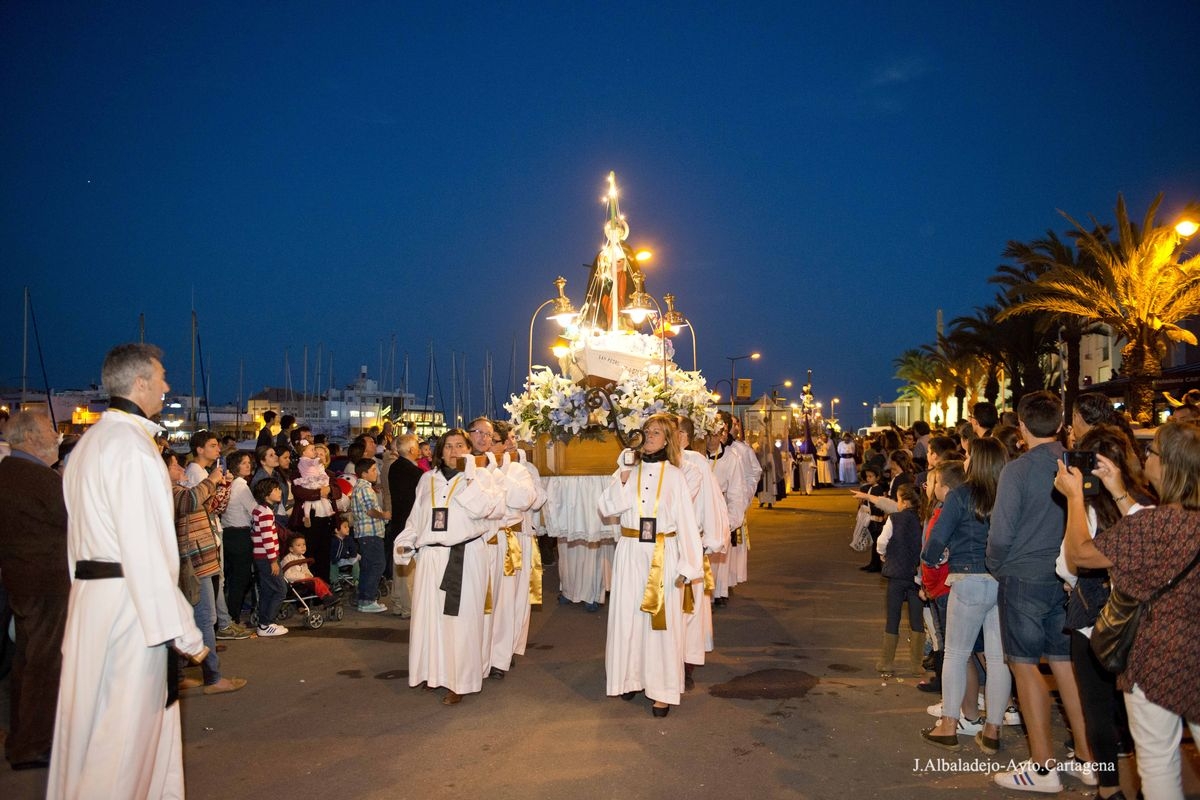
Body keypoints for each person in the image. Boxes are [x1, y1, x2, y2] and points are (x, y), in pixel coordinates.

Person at [48, 343, 207, 799]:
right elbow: (146, 550)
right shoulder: (133, 450)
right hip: (129, 612)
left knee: (92, 728)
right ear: (139, 383)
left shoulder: (88, 445)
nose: (167, 386)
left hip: (93, 603)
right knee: (120, 743)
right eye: (161, 377)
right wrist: (185, 633)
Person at [1058, 420, 1200, 800]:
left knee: (1158, 762)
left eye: (1152, 452)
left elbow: (1078, 555)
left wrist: (1075, 498)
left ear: (1169, 466)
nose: (1146, 458)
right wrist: (1118, 490)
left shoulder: (1155, 525)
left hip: (1157, 657)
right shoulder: (1169, 521)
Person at [986, 391, 1092, 792]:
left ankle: (1042, 766)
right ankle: (1086, 756)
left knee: (1024, 664)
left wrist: (997, 565)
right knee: (1064, 665)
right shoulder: (1074, 462)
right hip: (1066, 576)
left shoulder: (1017, 471)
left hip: (1023, 576)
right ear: (1061, 425)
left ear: (1022, 425)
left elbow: (1000, 533)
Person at [1054, 424, 1148, 800]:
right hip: (1139, 621)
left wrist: (1074, 501)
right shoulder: (1144, 504)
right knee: (1138, 710)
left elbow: (1067, 564)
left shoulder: (1087, 509)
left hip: (1094, 619)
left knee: (1097, 709)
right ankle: (1148, 780)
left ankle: (1109, 788)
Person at [598, 413, 703, 717]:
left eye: (656, 432)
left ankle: (662, 691)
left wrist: (689, 565)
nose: (649, 436)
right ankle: (630, 678)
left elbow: (686, 521)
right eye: (647, 430)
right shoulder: (628, 469)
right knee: (628, 618)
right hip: (630, 552)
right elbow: (606, 507)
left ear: (668, 439)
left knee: (661, 624)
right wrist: (623, 474)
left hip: (663, 554)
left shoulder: (675, 475)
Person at [394, 429, 502, 705]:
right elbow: (416, 517)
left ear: (468, 449)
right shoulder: (427, 479)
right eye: (449, 447)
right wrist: (406, 543)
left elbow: (489, 510)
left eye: (460, 446)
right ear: (440, 452)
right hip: (431, 556)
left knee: (462, 621)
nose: (454, 452)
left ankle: (461, 681)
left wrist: (470, 476)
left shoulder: (482, 477)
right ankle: (434, 674)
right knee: (430, 619)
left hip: (463, 555)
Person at [919, 437, 1010, 754]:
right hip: (1002, 581)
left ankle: (948, 725)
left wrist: (933, 560)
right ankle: (993, 729)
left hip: (968, 580)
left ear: (979, 460)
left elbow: (937, 539)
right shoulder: (1008, 494)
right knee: (998, 659)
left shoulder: (960, 495)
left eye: (969, 455)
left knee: (957, 654)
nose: (965, 460)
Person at [0, 410, 69, 769]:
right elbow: (73, 520)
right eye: (48, 428)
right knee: (43, 663)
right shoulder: (36, 478)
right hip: (46, 583)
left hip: (25, 579)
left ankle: (25, 738)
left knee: (28, 660)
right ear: (29, 436)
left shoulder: (11, 473)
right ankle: (33, 744)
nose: (56, 435)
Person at [164, 451, 246, 694]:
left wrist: (221, 485)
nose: (180, 468)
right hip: (194, 562)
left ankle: (178, 674)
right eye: (174, 465)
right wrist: (211, 480)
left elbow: (210, 507)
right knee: (205, 618)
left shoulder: (178, 489)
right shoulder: (171, 492)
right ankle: (213, 677)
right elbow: (189, 501)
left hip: (200, 559)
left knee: (186, 619)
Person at [874, 483, 926, 677]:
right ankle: (916, 664)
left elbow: (882, 542)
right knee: (916, 620)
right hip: (915, 576)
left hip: (896, 574)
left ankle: (886, 662)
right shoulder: (922, 520)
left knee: (893, 617)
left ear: (903, 501)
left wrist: (883, 554)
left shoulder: (894, 519)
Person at [386, 433, 425, 618]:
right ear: (411, 449)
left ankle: (398, 603)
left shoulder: (394, 468)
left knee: (399, 565)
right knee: (409, 567)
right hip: (410, 523)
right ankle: (408, 607)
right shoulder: (416, 473)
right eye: (417, 446)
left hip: (398, 521)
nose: (418, 449)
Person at [219, 450, 257, 628]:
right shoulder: (241, 486)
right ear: (235, 466)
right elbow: (254, 510)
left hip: (227, 534)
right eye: (243, 463)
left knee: (229, 578)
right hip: (240, 535)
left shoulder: (230, 484)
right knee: (240, 579)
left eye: (249, 462)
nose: (248, 466)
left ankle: (226, 614)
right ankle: (233, 616)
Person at [250, 477, 289, 637]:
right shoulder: (265, 512)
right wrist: (273, 560)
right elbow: (267, 538)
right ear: (266, 494)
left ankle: (264, 622)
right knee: (280, 589)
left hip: (261, 557)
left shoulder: (259, 509)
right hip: (267, 558)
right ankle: (267, 623)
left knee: (267, 590)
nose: (280, 492)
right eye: (276, 490)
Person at [350, 458, 391, 612]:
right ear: (364, 473)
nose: (377, 472)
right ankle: (367, 600)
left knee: (368, 566)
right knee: (377, 565)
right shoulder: (365, 489)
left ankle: (363, 598)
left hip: (366, 534)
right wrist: (384, 515)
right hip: (370, 533)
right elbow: (370, 510)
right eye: (373, 470)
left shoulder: (362, 487)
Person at [280, 534, 338, 607]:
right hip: (293, 582)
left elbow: (306, 570)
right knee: (316, 581)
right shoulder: (287, 559)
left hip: (303, 581)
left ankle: (329, 593)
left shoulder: (303, 558)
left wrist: (310, 576)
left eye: (304, 544)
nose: (302, 547)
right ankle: (326, 597)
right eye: (299, 545)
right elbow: (287, 575)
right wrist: (304, 576)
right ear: (291, 549)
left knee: (318, 580)